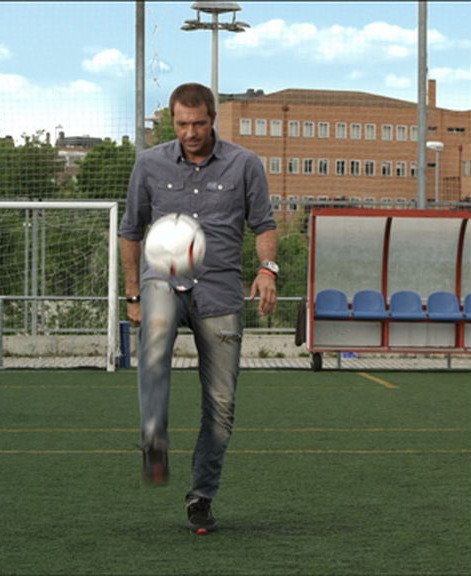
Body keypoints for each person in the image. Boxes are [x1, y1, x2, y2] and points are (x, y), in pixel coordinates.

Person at [119, 82, 279, 533]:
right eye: (182, 124)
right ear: (172, 121)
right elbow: (130, 231)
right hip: (162, 281)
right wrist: (132, 294)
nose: (190, 133)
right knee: (154, 349)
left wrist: (267, 270)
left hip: (219, 291)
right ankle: (154, 437)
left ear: (213, 120)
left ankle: (201, 496)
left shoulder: (245, 164)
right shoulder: (148, 164)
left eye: (199, 123)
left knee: (221, 406)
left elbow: (264, 224)